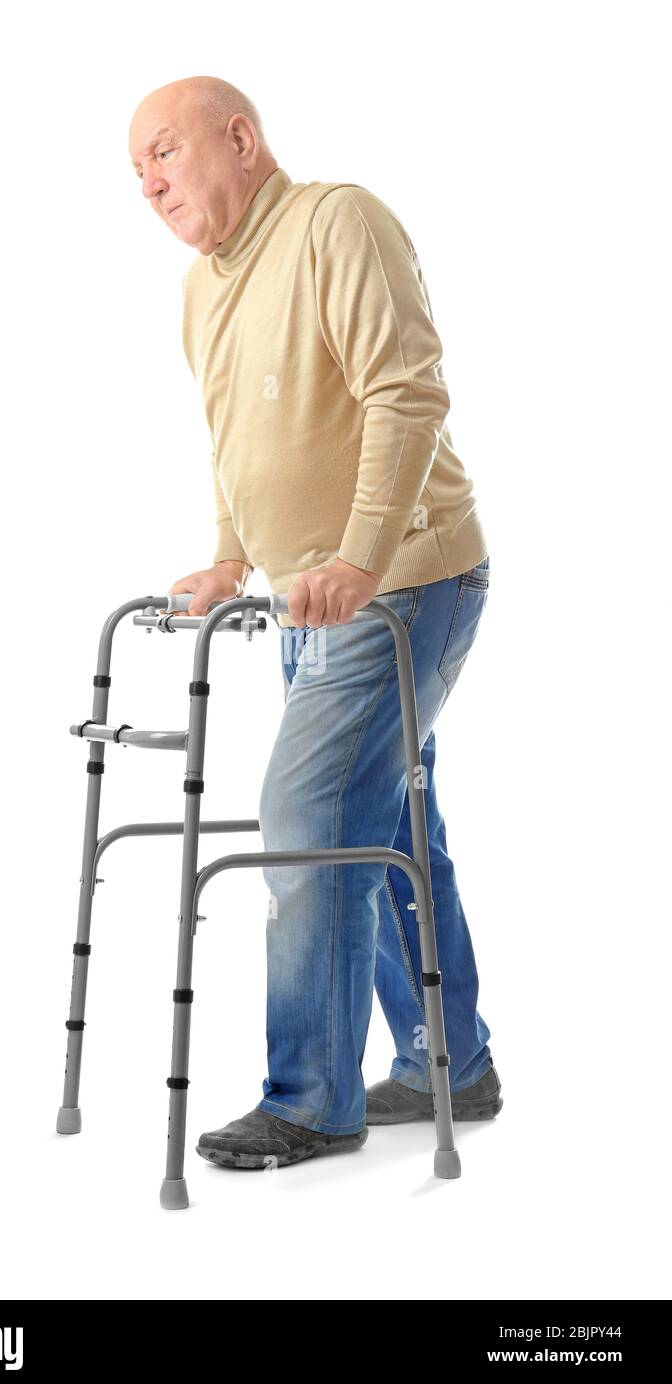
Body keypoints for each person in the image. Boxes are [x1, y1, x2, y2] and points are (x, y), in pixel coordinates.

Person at [128, 75, 502, 1170]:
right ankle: (452, 1061)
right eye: (134, 172)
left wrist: (359, 552)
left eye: (164, 152)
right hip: (309, 595)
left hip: (407, 580)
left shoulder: (338, 221)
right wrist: (233, 554)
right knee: (380, 823)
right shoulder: (203, 286)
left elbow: (405, 392)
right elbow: (233, 435)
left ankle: (309, 1098)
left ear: (239, 140)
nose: (147, 183)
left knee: (306, 808)